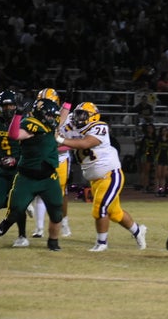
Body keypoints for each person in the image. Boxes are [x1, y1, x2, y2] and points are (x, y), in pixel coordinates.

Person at [56, 102, 147, 252]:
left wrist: (60, 139)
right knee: (115, 213)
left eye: (83, 115)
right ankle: (138, 231)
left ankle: (102, 243)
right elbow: (58, 124)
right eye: (77, 114)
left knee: (99, 208)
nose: (78, 118)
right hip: (95, 179)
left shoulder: (100, 126)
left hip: (110, 174)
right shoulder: (71, 123)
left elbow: (85, 143)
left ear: (93, 117)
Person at [0, 98, 64, 251]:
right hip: (27, 178)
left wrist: (68, 103)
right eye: (49, 115)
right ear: (40, 114)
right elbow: (14, 135)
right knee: (16, 209)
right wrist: (18, 115)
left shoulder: (50, 125)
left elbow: (62, 116)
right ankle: (8, 220)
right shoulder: (31, 124)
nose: (52, 119)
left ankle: (53, 242)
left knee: (57, 212)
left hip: (49, 178)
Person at [0, 90, 30, 247]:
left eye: (11, 105)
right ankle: (21, 204)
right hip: (3, 169)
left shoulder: (24, 121)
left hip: (20, 169)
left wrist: (16, 160)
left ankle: (22, 236)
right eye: (5, 105)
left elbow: (31, 147)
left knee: (18, 203)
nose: (9, 108)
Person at [30, 88, 73, 238]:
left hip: (60, 158)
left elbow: (72, 143)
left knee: (60, 194)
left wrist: (55, 145)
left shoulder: (67, 118)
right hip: (43, 157)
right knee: (40, 192)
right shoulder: (35, 117)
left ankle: (64, 222)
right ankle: (39, 229)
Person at [136, 123, 156, 192]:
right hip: (145, 155)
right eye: (148, 128)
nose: (150, 129)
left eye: (151, 128)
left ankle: (149, 186)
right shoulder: (145, 137)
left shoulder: (155, 137)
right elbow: (142, 147)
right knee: (145, 171)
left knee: (150, 171)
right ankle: (144, 185)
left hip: (152, 155)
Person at [154, 126, 168, 196]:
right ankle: (157, 190)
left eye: (166, 130)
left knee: (163, 175)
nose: (165, 132)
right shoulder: (158, 139)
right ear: (161, 132)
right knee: (158, 175)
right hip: (159, 157)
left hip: (165, 157)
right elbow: (155, 148)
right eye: (163, 130)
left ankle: (162, 190)